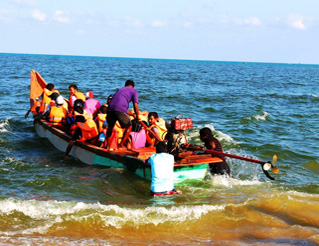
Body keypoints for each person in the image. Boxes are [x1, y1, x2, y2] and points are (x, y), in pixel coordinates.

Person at [106, 79, 139, 150]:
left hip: (109, 109)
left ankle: (108, 146)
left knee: (110, 127)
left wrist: (133, 115)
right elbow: (135, 105)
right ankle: (121, 144)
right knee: (129, 127)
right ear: (133, 86)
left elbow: (119, 107)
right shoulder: (133, 91)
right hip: (119, 110)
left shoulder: (120, 90)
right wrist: (138, 117)